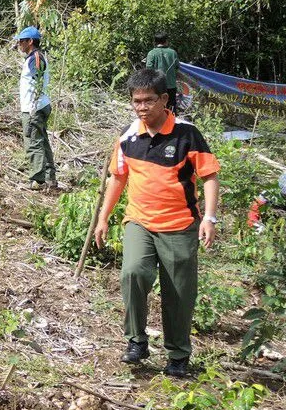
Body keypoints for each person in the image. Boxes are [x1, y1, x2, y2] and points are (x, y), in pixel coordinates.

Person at [94, 68, 221, 379]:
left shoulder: (187, 134)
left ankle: (178, 354)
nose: (142, 107)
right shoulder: (128, 136)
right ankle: (136, 341)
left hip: (179, 225)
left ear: (164, 99)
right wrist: (103, 217)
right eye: (136, 101)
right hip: (139, 221)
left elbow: (209, 176)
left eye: (148, 100)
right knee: (133, 272)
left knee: (178, 292)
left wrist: (209, 217)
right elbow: (118, 178)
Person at [17, 27, 57, 190]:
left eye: (21, 41)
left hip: (34, 108)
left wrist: (33, 107)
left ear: (30, 41)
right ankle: (49, 178)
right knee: (42, 141)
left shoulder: (36, 58)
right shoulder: (33, 58)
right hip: (38, 106)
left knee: (33, 142)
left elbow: (38, 80)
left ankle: (37, 180)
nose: (19, 44)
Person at [145, 33, 180, 115]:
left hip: (157, 85)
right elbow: (177, 67)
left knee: (157, 106)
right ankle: (172, 121)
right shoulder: (173, 52)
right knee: (171, 106)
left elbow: (148, 69)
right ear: (166, 41)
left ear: (155, 42)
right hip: (171, 84)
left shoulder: (152, 53)